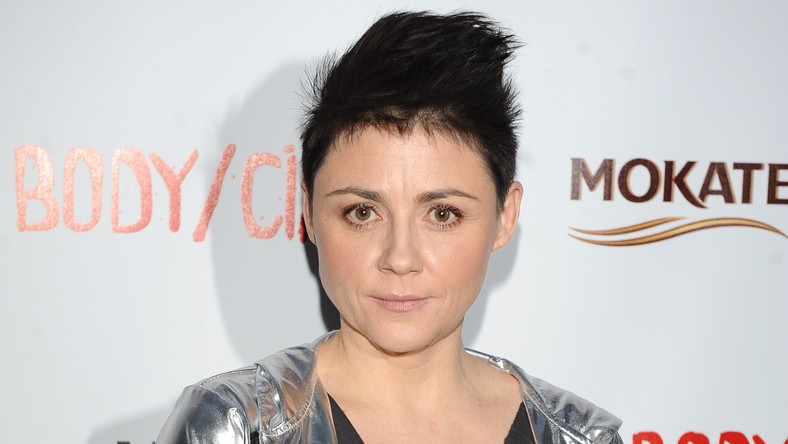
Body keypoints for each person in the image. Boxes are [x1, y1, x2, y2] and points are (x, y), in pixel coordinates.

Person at [157, 11, 622, 444]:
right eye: (362, 213)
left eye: (443, 214)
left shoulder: (578, 437)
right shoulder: (237, 426)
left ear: (505, 216)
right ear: (309, 213)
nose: (400, 258)